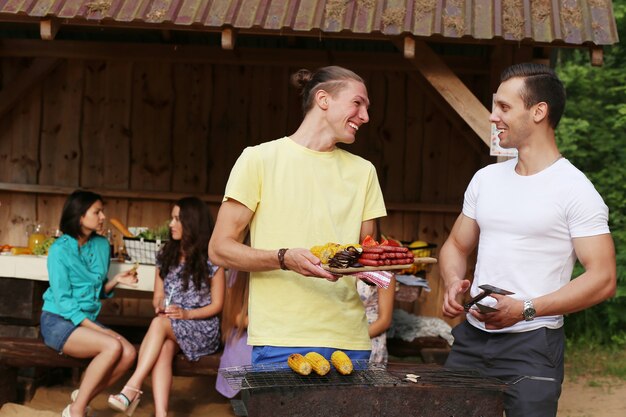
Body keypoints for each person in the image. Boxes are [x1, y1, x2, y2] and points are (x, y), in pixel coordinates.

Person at [439, 63, 616, 417]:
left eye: (504, 107)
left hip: (533, 343)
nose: (493, 117)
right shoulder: (486, 179)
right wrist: (451, 284)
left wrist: (525, 309)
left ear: (538, 112)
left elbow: (604, 278)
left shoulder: (576, 191)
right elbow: (456, 246)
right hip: (471, 339)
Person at [209, 66, 387, 365]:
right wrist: (283, 258)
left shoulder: (364, 172)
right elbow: (219, 249)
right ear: (323, 99)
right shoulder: (258, 159)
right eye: (358, 103)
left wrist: (387, 266)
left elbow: (369, 264)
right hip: (281, 342)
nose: (365, 116)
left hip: (350, 341)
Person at [108, 197, 225, 417]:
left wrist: (187, 313)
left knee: (159, 324)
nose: (171, 224)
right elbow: (158, 295)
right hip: (171, 324)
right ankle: (161, 414)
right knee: (164, 348)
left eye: (177, 219)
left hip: (201, 327)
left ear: (193, 223)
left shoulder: (212, 258)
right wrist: (161, 305)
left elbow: (217, 305)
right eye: (172, 218)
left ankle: (131, 387)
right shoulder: (165, 255)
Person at [40, 190, 138, 417]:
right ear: (80, 216)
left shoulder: (102, 245)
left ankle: (82, 397)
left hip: (85, 321)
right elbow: (64, 302)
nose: (103, 216)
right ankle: (76, 410)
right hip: (58, 320)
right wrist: (102, 333)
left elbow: (95, 290)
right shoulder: (59, 250)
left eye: (102, 211)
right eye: (97, 211)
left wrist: (115, 281)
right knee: (113, 346)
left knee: (129, 353)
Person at [215, 269, 252, 398]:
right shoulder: (238, 272)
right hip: (244, 331)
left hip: (275, 333)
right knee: (241, 356)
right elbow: (233, 316)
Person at [356, 278, 395, 363]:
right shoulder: (336, 270)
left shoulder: (383, 275)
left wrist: (352, 338)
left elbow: (384, 321)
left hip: (369, 335)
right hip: (337, 336)